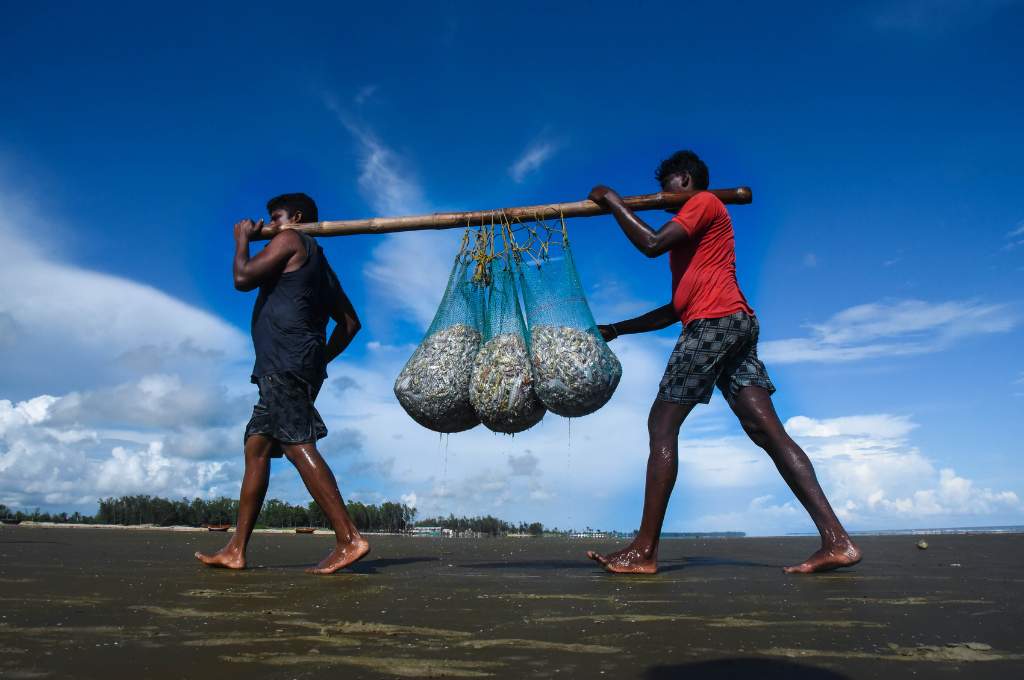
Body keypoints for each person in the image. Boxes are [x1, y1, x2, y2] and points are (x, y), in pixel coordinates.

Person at [584, 151, 861, 575]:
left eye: (666, 187)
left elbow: (651, 244)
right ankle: (837, 542)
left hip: (715, 324)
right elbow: (678, 309)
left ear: (683, 179)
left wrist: (611, 199)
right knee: (765, 430)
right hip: (735, 323)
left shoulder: (704, 203)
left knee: (662, 424)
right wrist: (618, 329)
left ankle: (643, 550)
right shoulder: (695, 246)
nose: (662, 196)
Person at [195, 192, 369, 574]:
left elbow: (242, 278)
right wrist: (317, 359)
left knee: (295, 442)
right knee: (257, 446)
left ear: (297, 217)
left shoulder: (289, 240)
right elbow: (350, 324)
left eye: (275, 217)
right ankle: (236, 548)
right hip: (291, 364)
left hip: (285, 364)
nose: (268, 224)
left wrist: (242, 238)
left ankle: (348, 538)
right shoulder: (321, 265)